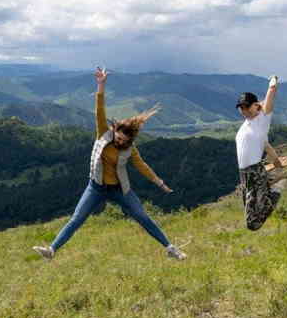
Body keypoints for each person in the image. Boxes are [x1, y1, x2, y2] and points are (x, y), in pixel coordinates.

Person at [33, 66, 187, 260]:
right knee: (77, 219)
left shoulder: (130, 149)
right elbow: (99, 110)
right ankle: (51, 250)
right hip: (95, 187)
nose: (119, 142)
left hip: (119, 189)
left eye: (123, 141)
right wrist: (101, 85)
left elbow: (142, 167)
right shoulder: (103, 133)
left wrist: (160, 183)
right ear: (114, 130)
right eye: (118, 137)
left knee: (142, 217)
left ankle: (171, 248)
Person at [235, 75, 286, 230]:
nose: (243, 110)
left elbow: (271, 92)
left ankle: (276, 191)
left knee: (253, 223)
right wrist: (276, 162)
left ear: (255, 105)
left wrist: (273, 80)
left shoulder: (263, 118)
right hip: (244, 175)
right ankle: (271, 190)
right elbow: (265, 144)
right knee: (251, 218)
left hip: (256, 173)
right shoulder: (247, 123)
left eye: (246, 106)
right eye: (241, 107)